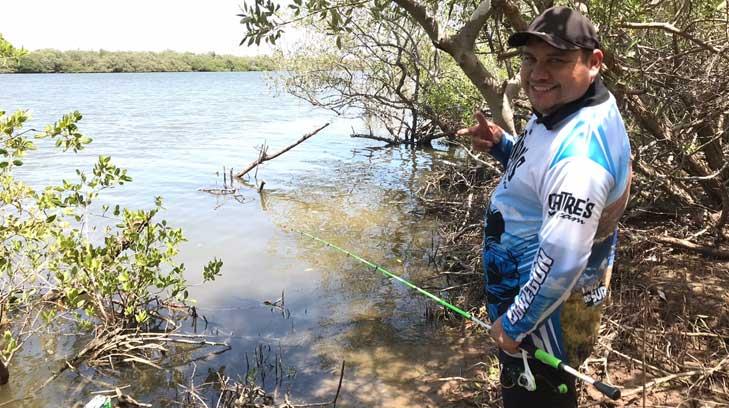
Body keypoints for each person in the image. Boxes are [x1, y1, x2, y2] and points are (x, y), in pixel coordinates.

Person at [457, 6, 632, 407]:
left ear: (593, 62)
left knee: (538, 398)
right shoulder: (568, 107)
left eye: (557, 60)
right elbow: (543, 176)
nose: (538, 73)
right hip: (540, 308)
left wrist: (515, 323)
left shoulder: (580, 158)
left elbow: (564, 257)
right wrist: (503, 146)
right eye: (530, 58)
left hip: (541, 321)